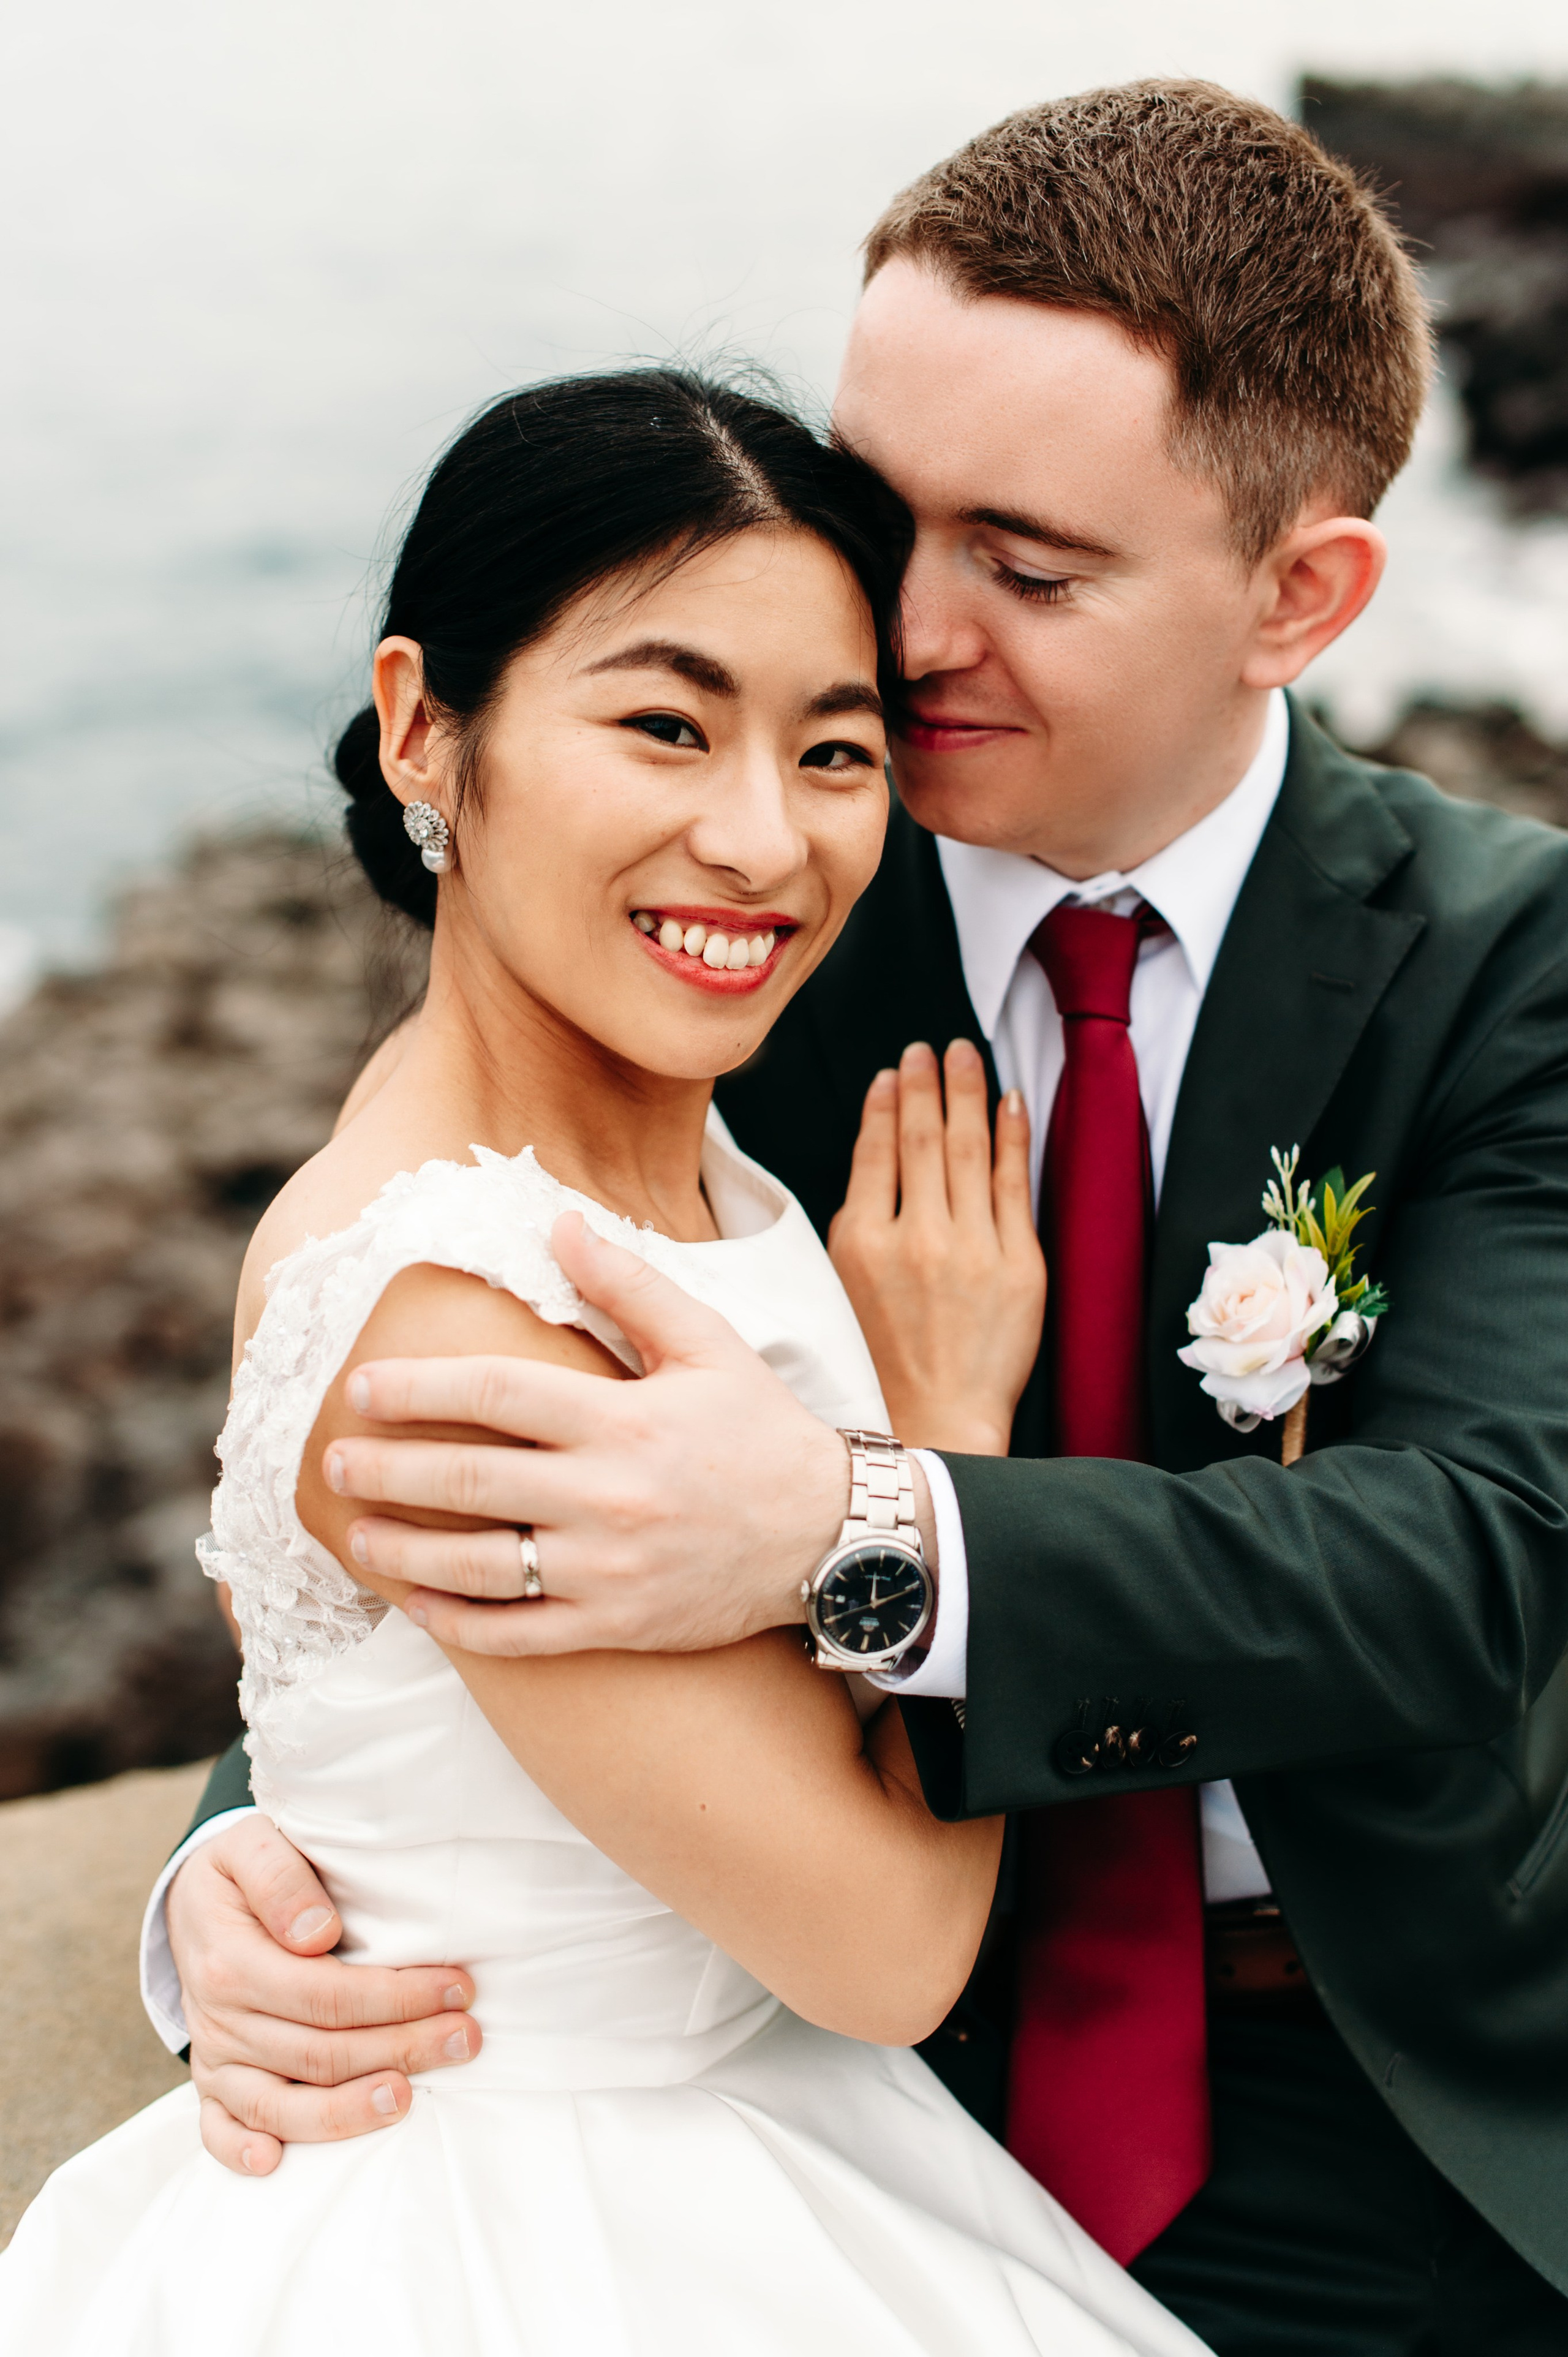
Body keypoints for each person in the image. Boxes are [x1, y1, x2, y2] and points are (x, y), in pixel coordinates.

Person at [149, 81, 1568, 2356]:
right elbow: (443, 1409)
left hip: (1375, 2076)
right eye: (876, 511)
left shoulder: (1512, 962)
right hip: (845, 2048)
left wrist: (861, 1520)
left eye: (1026, 564)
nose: (900, 639)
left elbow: (1484, 1558)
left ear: (1299, 594)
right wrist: (248, 1850)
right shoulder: (740, 911)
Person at [0, 368, 1207, 2357]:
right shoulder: (452, 1315)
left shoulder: (678, 1132)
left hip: (771, 2133)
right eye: (662, 723)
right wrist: (942, 1440)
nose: (763, 839)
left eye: (835, 750)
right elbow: (886, 1947)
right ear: (425, 731)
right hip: (544, 2215)